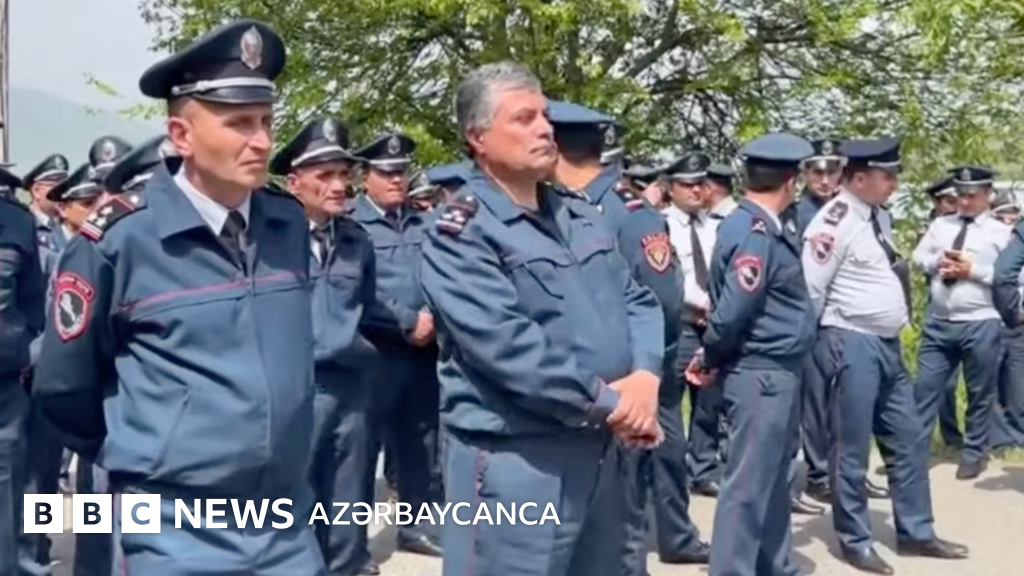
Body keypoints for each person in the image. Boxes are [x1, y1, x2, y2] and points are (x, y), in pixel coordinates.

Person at [32, 19, 326, 575]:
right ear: (182, 135)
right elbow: (63, 386)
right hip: (173, 528)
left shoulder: (287, 224)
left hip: (285, 521)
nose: (262, 141)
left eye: (266, 120)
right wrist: (147, 452)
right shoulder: (122, 240)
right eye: (239, 123)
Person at [422, 61, 663, 576]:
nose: (545, 129)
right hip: (519, 463)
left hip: (601, 453)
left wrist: (646, 376)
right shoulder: (460, 233)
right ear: (478, 138)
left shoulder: (579, 214)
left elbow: (637, 300)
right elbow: (508, 348)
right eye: (524, 118)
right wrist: (615, 404)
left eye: (545, 116)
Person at [547, 101, 707, 572]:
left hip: (631, 382)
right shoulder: (560, 206)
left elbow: (661, 301)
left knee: (623, 520)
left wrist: (644, 374)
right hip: (586, 386)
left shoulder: (629, 213)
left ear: (555, 150)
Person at [802, 137, 968, 574]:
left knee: (908, 438)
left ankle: (916, 531)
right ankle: (855, 539)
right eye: (886, 176)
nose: (894, 183)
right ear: (858, 179)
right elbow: (812, 288)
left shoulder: (877, 215)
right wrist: (820, 349)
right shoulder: (833, 221)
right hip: (850, 340)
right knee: (851, 447)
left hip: (886, 344)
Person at [684, 133, 815, 576]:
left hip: (776, 371)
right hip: (761, 371)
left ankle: (774, 565)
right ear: (792, 182)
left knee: (772, 480)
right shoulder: (755, 232)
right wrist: (710, 357)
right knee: (746, 485)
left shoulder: (758, 226)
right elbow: (732, 312)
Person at [271, 117, 384, 576]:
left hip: (350, 387)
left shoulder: (356, 240)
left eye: (343, 174)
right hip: (294, 388)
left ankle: (346, 566)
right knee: (290, 497)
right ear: (294, 183)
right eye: (325, 175)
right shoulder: (270, 241)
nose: (339, 185)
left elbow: (367, 306)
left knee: (347, 496)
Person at [350, 132, 444, 558]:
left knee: (421, 442)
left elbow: (443, 276)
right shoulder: (352, 225)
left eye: (402, 172)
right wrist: (408, 321)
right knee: (362, 450)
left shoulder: (424, 222)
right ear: (365, 177)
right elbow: (355, 291)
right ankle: (351, 543)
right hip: (376, 352)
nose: (396, 180)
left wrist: (432, 317)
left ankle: (416, 527)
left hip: (423, 355)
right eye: (387, 172)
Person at [912, 166, 1013, 480]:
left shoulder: (1001, 232)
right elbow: (918, 257)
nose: (965, 202)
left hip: (981, 320)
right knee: (924, 389)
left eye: (972, 196)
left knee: (979, 392)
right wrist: (936, 261)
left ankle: (973, 452)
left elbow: (1012, 277)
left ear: (987, 195)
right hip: (940, 321)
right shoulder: (941, 225)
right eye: (961, 195)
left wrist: (973, 271)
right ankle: (913, 453)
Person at [661, 150, 726, 499]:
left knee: (709, 401)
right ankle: (671, 467)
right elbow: (670, 276)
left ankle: (702, 469)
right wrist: (702, 305)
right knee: (671, 400)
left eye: (701, 183)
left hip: (712, 326)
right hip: (681, 323)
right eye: (688, 184)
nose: (696, 190)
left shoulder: (716, 226)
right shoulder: (661, 225)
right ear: (670, 188)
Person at [0, 164, 45, 576]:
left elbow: (34, 302)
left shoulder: (16, 222)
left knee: (10, 504)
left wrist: (22, 351)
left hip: (4, 393)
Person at [922, 175, 966, 449]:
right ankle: (945, 435)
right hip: (939, 308)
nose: (955, 205)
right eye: (949, 200)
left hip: (973, 310)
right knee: (939, 381)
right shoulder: (933, 229)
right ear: (937, 203)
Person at [988, 190, 1024, 446]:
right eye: (1003, 215)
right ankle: (999, 438)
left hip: (1015, 318)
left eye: (1013, 214)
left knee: (1016, 383)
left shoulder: (1017, 240)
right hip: (991, 317)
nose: (1009, 219)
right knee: (989, 383)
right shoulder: (987, 238)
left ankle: (1017, 436)